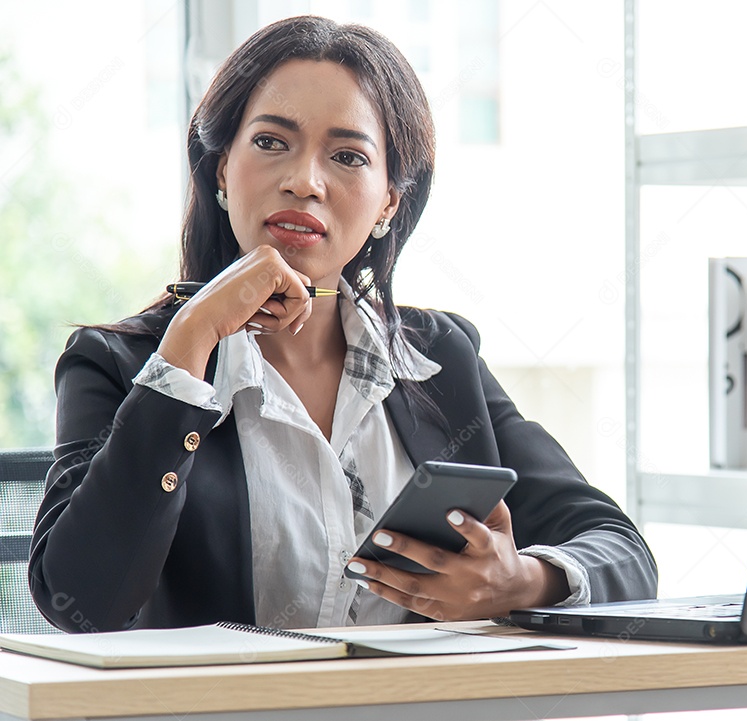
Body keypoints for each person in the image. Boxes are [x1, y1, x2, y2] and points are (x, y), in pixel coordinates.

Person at [29, 15, 657, 633]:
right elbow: (81, 598)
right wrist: (190, 343)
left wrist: (522, 581)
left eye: (348, 156)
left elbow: (621, 550)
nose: (304, 182)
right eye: (271, 142)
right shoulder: (118, 364)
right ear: (221, 169)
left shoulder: (440, 360)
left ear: (390, 200)